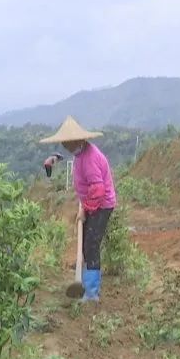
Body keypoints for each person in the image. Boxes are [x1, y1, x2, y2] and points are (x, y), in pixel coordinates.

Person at [40, 116, 116, 302]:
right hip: (91, 203)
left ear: (77, 140)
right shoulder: (80, 153)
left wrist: (86, 209)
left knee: (91, 245)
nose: (65, 145)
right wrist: (85, 205)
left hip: (102, 205)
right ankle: (87, 283)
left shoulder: (89, 158)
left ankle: (91, 293)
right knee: (87, 246)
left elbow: (98, 190)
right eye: (63, 142)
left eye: (67, 142)